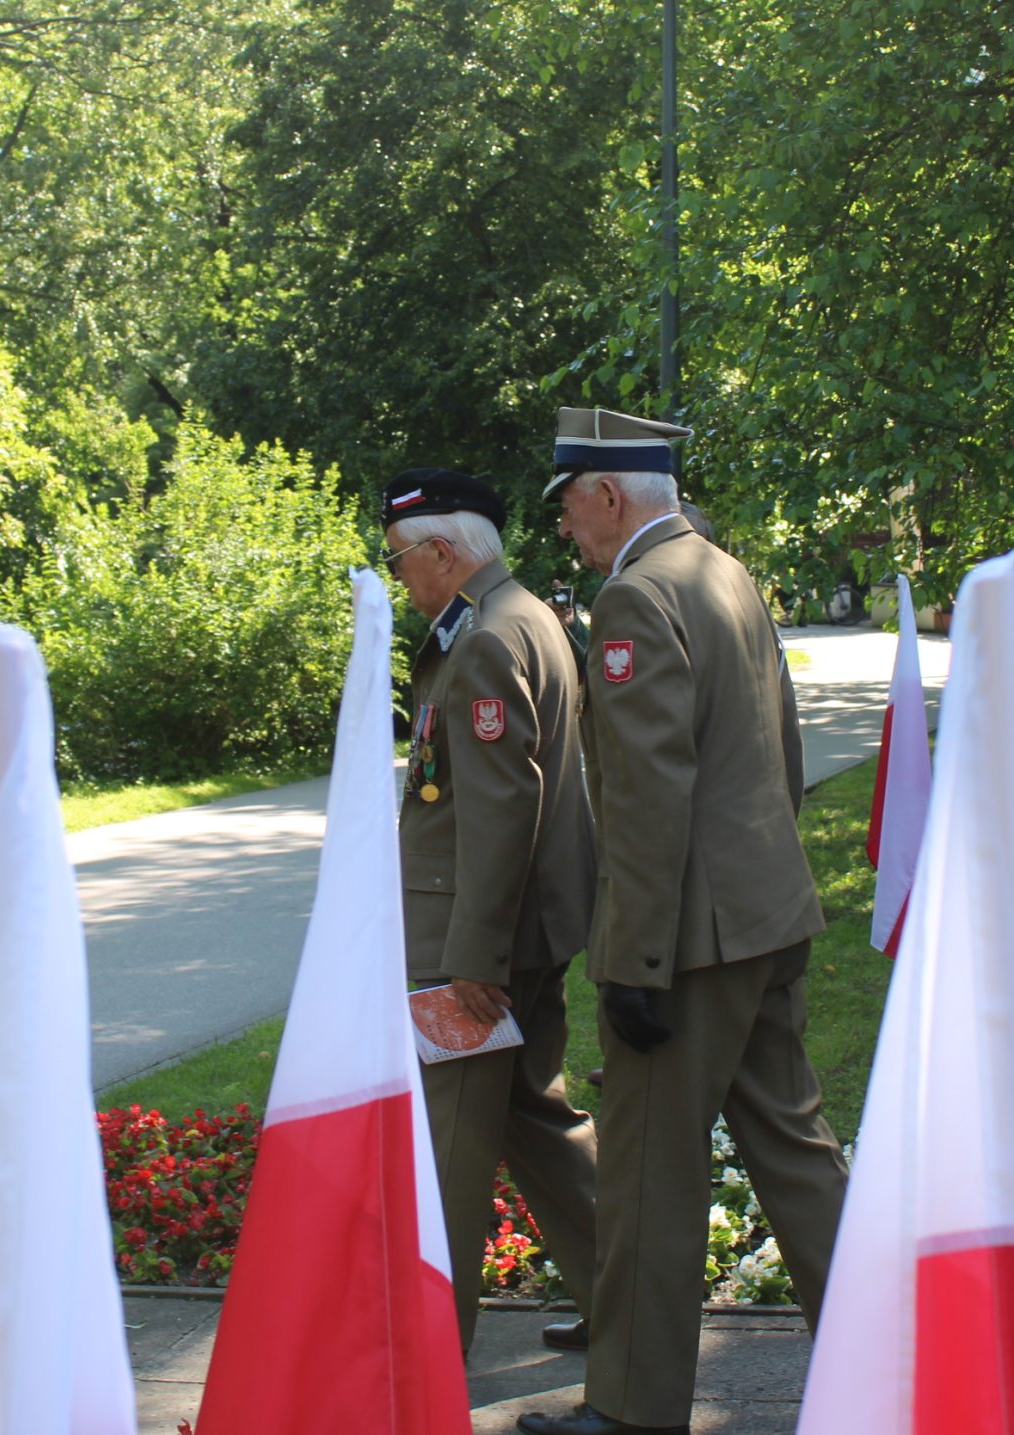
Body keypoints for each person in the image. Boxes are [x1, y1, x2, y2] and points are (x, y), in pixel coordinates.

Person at [522, 410, 849, 1435]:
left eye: (569, 507)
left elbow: (647, 792)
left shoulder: (635, 594)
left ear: (609, 494)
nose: (566, 529)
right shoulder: (724, 572)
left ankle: (630, 1410)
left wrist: (636, 959)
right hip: (762, 912)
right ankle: (894, 1356)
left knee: (647, 1176)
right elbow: (779, 744)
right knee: (795, 1152)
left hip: (688, 942)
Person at [379, 469, 602, 1358]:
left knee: (451, 1147)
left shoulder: (485, 637)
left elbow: (502, 808)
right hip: (524, 928)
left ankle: (427, 1352)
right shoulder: (524, 615)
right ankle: (628, 1303)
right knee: (532, 1118)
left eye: (399, 558)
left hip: (476, 944)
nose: (397, 575)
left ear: (441, 551)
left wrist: (474, 957)